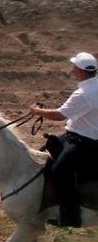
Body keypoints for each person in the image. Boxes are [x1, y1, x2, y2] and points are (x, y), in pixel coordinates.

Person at [29, 52, 98, 228]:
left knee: (59, 172)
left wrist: (38, 111)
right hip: (75, 136)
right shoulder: (94, 87)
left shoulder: (84, 94)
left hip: (83, 142)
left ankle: (71, 215)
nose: (72, 70)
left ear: (80, 72)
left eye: (74, 67)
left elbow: (60, 115)